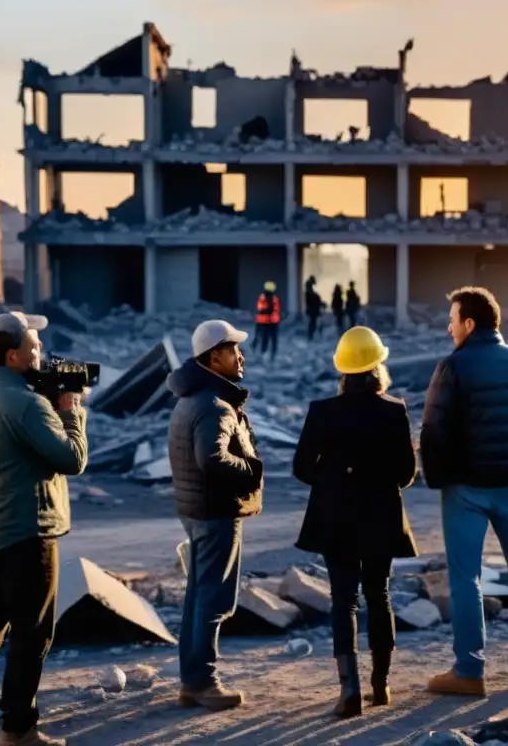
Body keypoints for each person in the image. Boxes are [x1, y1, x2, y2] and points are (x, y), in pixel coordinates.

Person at [0, 311, 88, 746]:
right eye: (35, 346)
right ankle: (18, 729)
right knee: (31, 634)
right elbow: (72, 459)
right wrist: (71, 411)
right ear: (14, 356)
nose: (41, 352)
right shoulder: (29, 405)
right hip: (28, 536)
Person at [420, 286, 508, 696]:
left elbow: (432, 431)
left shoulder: (453, 367)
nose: (449, 328)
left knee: (466, 579)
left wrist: (439, 477)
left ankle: (469, 670)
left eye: (453, 320)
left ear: (470, 323)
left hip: (466, 489)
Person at [292, 326, 418, 718]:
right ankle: (381, 686)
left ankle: (349, 690)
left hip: (336, 518)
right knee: (379, 595)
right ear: (378, 366)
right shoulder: (394, 411)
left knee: (343, 600)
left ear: (343, 370)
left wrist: (333, 483)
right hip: (381, 516)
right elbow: (407, 473)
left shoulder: (322, 411)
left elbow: (301, 468)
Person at [167, 319, 264, 711]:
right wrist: (252, 471)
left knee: (198, 595)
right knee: (213, 598)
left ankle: (192, 681)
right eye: (232, 350)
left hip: (197, 510)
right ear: (213, 357)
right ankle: (204, 681)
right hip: (216, 512)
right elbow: (211, 458)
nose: (240, 356)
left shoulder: (193, 398)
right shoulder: (213, 406)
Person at [254, 281, 281, 362]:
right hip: (266, 322)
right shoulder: (264, 298)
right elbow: (262, 309)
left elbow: (276, 310)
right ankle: (265, 354)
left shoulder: (271, 298)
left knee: (271, 339)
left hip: (270, 322)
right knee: (268, 339)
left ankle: (271, 354)